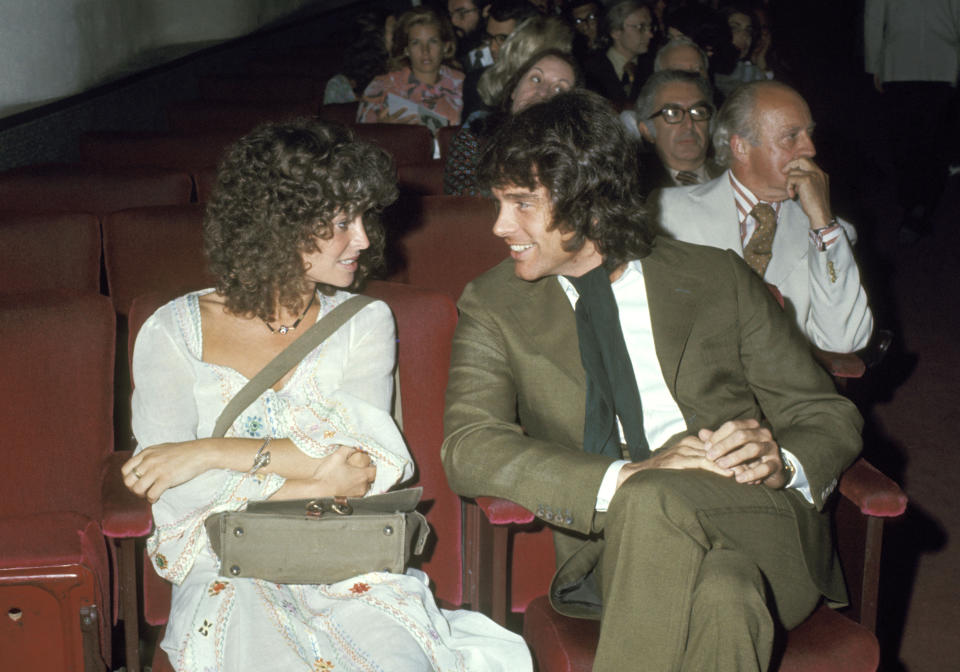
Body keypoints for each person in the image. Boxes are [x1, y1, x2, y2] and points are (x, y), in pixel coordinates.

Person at [442, 90, 863, 672]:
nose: (498, 226)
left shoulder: (715, 277)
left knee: (663, 507)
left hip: (760, 522)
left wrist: (782, 460)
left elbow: (827, 414)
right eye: (498, 203)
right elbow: (469, 446)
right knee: (725, 597)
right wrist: (627, 476)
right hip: (618, 556)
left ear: (589, 203)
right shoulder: (493, 304)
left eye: (521, 204)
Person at [122, 120, 532, 671]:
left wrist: (209, 451)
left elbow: (364, 462)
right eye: (341, 222)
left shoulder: (364, 322)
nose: (362, 239)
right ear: (277, 225)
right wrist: (314, 478)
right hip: (230, 564)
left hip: (348, 555)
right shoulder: (172, 331)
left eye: (362, 219)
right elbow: (170, 492)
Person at [657, 80, 873, 353]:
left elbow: (844, 340)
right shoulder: (667, 212)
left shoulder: (831, 235)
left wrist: (821, 221)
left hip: (779, 390)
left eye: (809, 134)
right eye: (791, 136)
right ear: (741, 147)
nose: (810, 150)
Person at [864, 0, 960, 241]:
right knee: (934, 138)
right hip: (943, 61)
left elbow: (874, 17)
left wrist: (874, 63)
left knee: (904, 138)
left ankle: (911, 203)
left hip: (898, 61)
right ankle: (922, 204)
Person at [444, 48, 581, 195]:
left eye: (559, 89)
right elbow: (463, 202)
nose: (543, 92)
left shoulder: (576, 156)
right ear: (514, 90)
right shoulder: (475, 135)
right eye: (536, 79)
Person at [357, 7, 464, 131]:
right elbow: (360, 140)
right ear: (406, 49)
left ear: (446, 46)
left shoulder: (463, 83)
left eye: (433, 41)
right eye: (416, 43)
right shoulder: (381, 87)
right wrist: (383, 130)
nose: (425, 51)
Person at [626, 69, 720, 194]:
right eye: (672, 113)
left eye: (698, 112)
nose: (689, 124)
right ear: (647, 130)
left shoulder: (736, 176)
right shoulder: (631, 189)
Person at [460, 0, 539, 118]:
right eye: (490, 38)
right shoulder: (478, 82)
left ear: (527, 39)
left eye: (502, 39)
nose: (492, 47)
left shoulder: (546, 82)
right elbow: (469, 133)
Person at [583, 0, 655, 107]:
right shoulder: (589, 70)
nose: (650, 34)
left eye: (650, 27)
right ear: (615, 31)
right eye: (641, 27)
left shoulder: (654, 67)